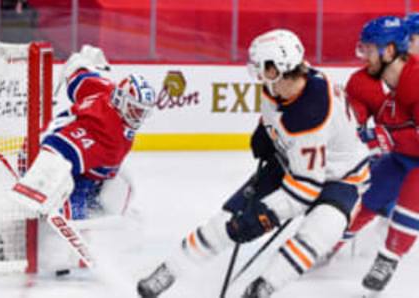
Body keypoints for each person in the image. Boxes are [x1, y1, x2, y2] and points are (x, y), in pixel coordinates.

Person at [136, 29, 370, 298]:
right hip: (290, 162)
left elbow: (306, 189)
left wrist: (264, 215)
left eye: (263, 68)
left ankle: (262, 288)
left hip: (340, 177)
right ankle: (171, 269)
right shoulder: (283, 87)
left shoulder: (310, 115)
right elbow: (276, 119)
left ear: (278, 69)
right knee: (228, 220)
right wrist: (268, 133)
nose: (258, 75)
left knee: (318, 234)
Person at [9, 45, 156, 223]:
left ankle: (91, 213)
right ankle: (25, 232)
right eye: (135, 109)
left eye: (142, 112)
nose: (138, 116)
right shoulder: (107, 131)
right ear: (121, 99)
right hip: (43, 164)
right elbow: (60, 149)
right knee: (75, 219)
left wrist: (83, 60)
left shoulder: (104, 90)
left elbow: (78, 76)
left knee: (122, 187)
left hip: (75, 166)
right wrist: (36, 184)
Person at [326, 15, 419, 294]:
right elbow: (352, 122)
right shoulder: (361, 82)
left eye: (369, 48)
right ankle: (325, 245)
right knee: (365, 198)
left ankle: (388, 259)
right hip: (399, 157)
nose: (363, 54)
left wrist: (385, 136)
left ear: (390, 50)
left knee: (411, 197)